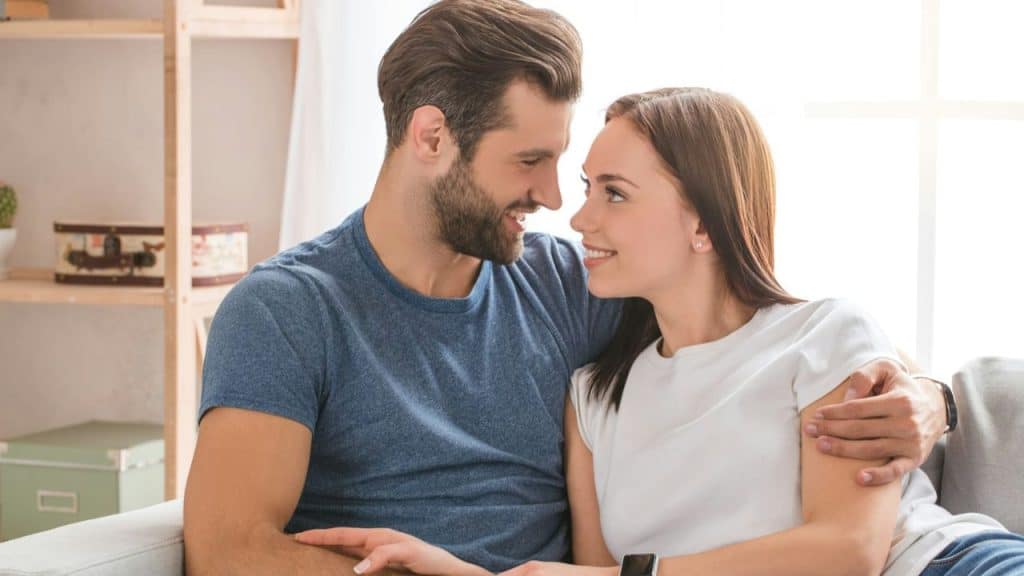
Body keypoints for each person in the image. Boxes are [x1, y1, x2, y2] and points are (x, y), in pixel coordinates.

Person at [183, 2, 951, 575]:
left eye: (568, 167)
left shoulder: (561, 281)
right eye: (529, 162)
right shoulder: (288, 310)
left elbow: (775, 323)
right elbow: (228, 547)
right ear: (430, 138)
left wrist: (926, 399)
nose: (554, 198)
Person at [293, 88, 1024, 575]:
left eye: (615, 194)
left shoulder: (823, 335)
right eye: (587, 189)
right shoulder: (593, 399)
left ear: (704, 220)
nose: (579, 219)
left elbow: (848, 552)